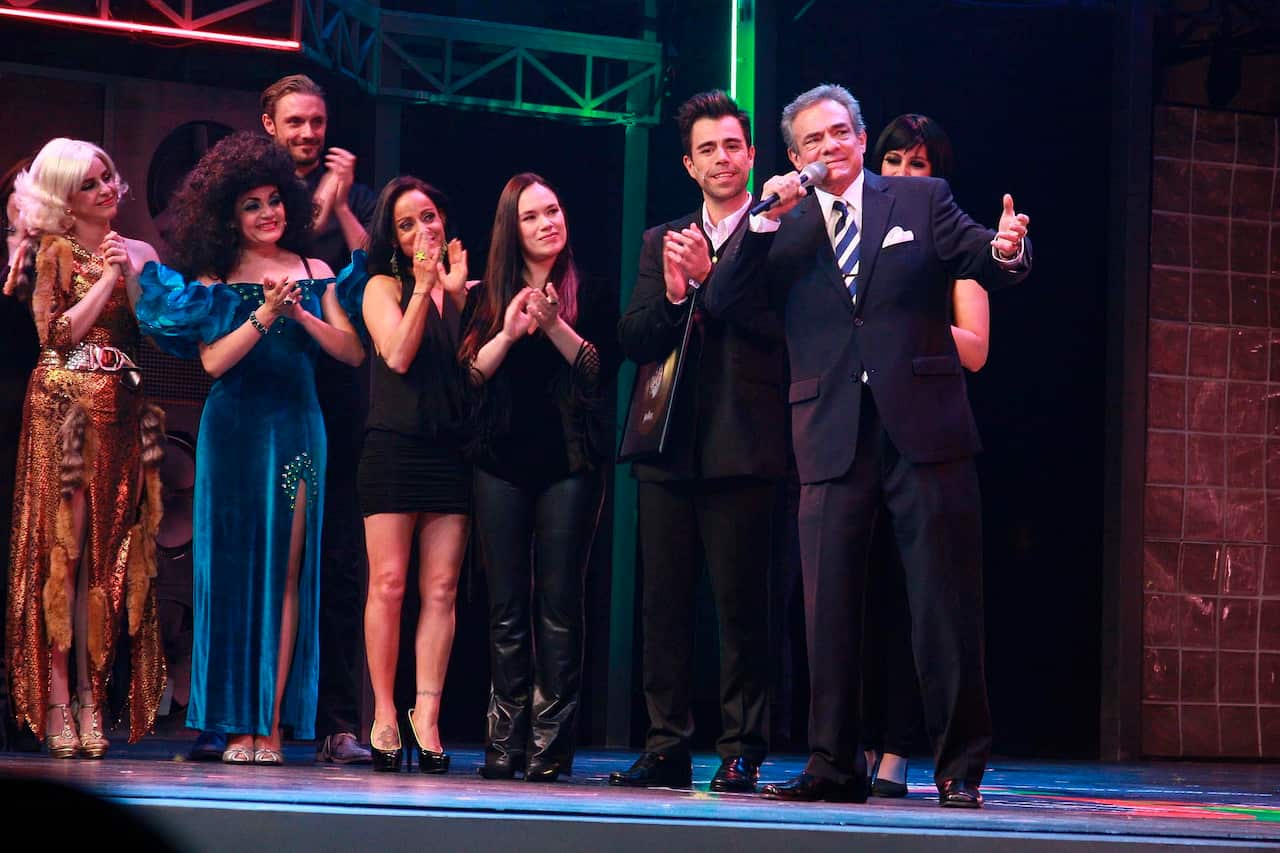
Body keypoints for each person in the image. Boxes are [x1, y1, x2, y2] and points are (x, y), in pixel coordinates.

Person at [705, 84, 1030, 808]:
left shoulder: (918, 199)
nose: (829, 147)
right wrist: (762, 221)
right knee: (828, 608)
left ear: (859, 137)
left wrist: (1008, 248)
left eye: (839, 133)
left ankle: (958, 768)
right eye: (812, 141)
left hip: (924, 426)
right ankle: (832, 765)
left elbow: (983, 254)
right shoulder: (782, 226)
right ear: (794, 156)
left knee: (944, 603)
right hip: (829, 429)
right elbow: (722, 301)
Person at [136, 132, 365, 765]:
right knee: (232, 577)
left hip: (297, 432)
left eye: (274, 200)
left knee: (287, 577)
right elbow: (213, 363)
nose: (268, 213)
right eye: (252, 205)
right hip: (233, 433)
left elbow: (351, 352)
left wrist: (300, 315)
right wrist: (262, 315)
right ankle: (235, 724)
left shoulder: (315, 272)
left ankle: (270, 725)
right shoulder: (214, 279)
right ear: (228, 215)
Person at [610, 91, 784, 793]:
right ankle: (666, 744)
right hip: (669, 445)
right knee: (664, 605)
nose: (721, 158)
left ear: (752, 155)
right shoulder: (664, 238)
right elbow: (633, 337)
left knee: (741, 606)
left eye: (732, 146)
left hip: (745, 442)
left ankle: (742, 746)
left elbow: (780, 331)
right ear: (688, 164)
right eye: (707, 149)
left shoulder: (778, 231)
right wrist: (677, 295)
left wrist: (712, 282)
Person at [4, 138, 166, 757]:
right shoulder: (54, 252)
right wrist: (110, 277)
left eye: (108, 177)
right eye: (90, 184)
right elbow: (56, 333)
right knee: (64, 559)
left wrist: (136, 277)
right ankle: (57, 698)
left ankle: (93, 696)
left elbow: (157, 330)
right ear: (65, 201)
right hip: (64, 410)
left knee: (109, 561)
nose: (106, 190)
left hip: (122, 410)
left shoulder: (140, 251)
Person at [461, 173, 617, 783]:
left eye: (553, 210)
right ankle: (504, 745)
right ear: (512, 228)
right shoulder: (485, 296)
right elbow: (469, 377)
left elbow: (598, 371)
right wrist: (508, 331)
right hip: (500, 463)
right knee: (505, 607)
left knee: (559, 606)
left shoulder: (591, 290)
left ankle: (549, 749)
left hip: (569, 466)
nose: (547, 223)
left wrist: (553, 325)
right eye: (531, 216)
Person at [861, 113, 991, 798]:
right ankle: (859, 746)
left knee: (932, 606)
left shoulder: (945, 239)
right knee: (861, 602)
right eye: (894, 161)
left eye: (918, 164)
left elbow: (977, 347)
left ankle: (927, 755)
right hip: (856, 435)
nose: (905, 175)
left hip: (927, 437)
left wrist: (904, 321)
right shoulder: (852, 236)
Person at [259, 73, 377, 764]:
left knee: (338, 562)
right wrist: (321, 200)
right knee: (261, 558)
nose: (308, 133)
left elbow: (372, 267)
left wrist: (344, 200)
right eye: (296, 122)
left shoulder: (355, 194)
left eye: (317, 122)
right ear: (269, 125)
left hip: (333, 391)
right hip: (265, 387)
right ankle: (246, 714)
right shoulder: (254, 194)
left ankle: (336, 721)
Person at [360, 177, 471, 773]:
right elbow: (399, 355)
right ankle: (384, 711)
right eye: (407, 224)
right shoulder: (382, 287)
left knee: (442, 589)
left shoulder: (461, 290)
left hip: (449, 450)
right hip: (394, 448)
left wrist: (453, 294)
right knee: (390, 585)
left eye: (428, 216)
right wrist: (424, 289)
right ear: (394, 239)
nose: (422, 230)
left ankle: (426, 715)